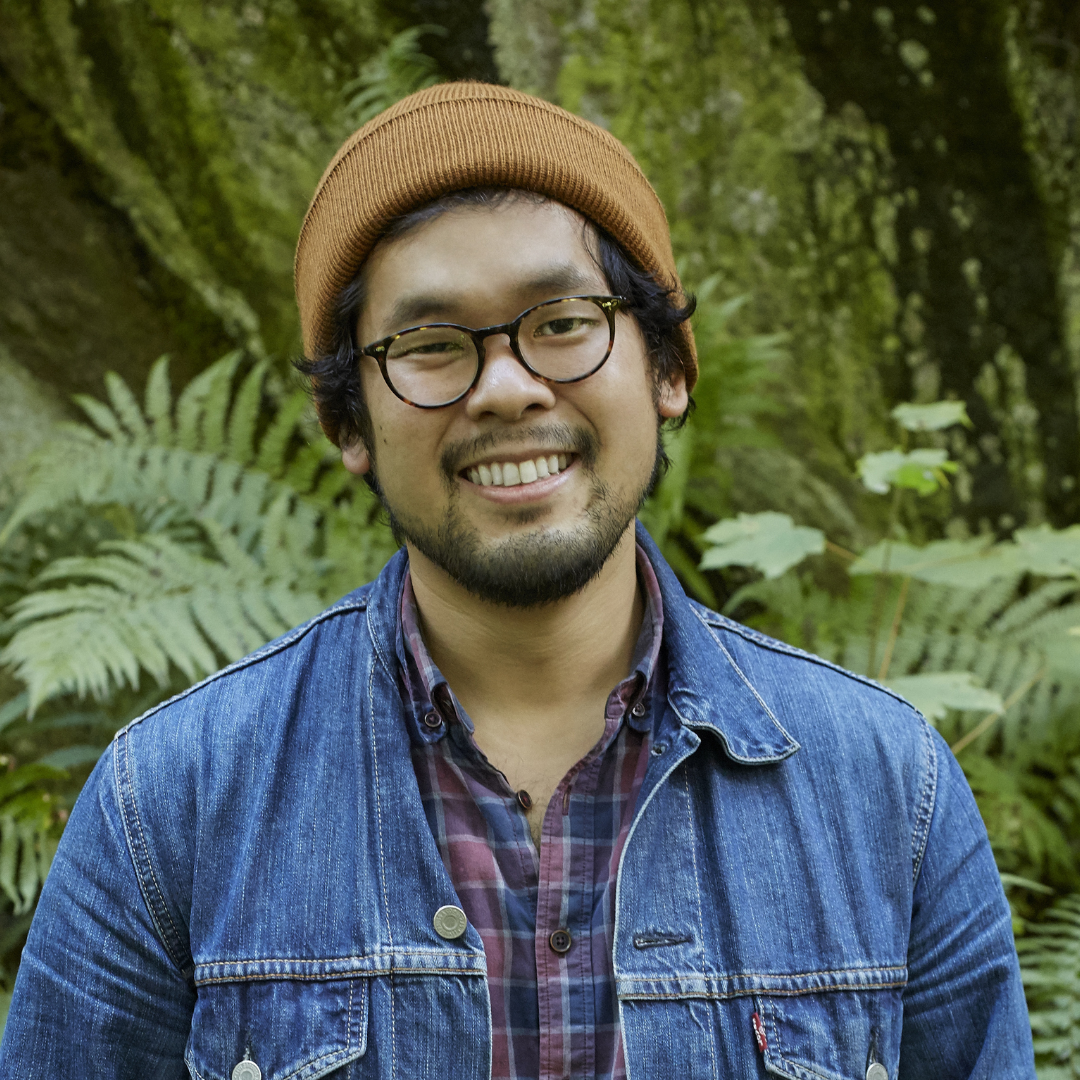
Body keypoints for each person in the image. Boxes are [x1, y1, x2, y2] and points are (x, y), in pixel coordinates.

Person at [0, 82, 1033, 1080]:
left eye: (564, 321)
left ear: (669, 368)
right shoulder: (172, 802)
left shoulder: (888, 788)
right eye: (432, 346)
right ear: (346, 421)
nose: (505, 387)